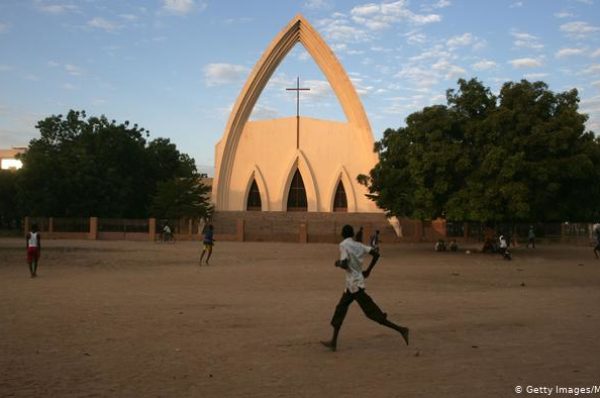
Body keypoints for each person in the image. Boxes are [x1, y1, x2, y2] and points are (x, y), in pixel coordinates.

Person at [321, 224, 409, 352]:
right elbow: (376, 254)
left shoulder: (343, 245)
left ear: (342, 234)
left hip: (354, 286)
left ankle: (402, 330)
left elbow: (345, 264)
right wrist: (368, 270)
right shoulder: (359, 245)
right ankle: (333, 342)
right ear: (352, 234)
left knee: (372, 313)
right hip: (353, 286)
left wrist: (338, 263)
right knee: (340, 309)